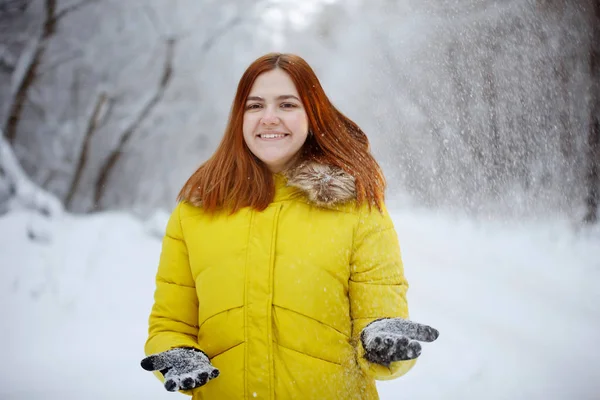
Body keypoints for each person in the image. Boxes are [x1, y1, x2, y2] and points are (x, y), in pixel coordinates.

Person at [140, 52, 439, 400]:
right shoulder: (195, 213)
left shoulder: (357, 210)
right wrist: (175, 352)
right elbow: (170, 324)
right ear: (239, 117)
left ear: (312, 115)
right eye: (255, 106)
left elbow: (381, 316)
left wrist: (382, 344)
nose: (269, 118)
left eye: (286, 105)